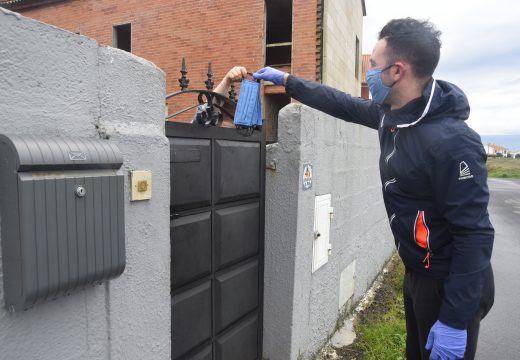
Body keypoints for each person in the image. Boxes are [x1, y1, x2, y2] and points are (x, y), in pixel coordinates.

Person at [251, 18, 494, 360]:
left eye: (373, 66)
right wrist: (290, 82)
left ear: (397, 71)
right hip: (417, 274)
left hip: (450, 285)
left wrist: (455, 320)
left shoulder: (453, 144)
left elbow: (475, 234)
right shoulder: (392, 114)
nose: (368, 74)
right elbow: (342, 104)